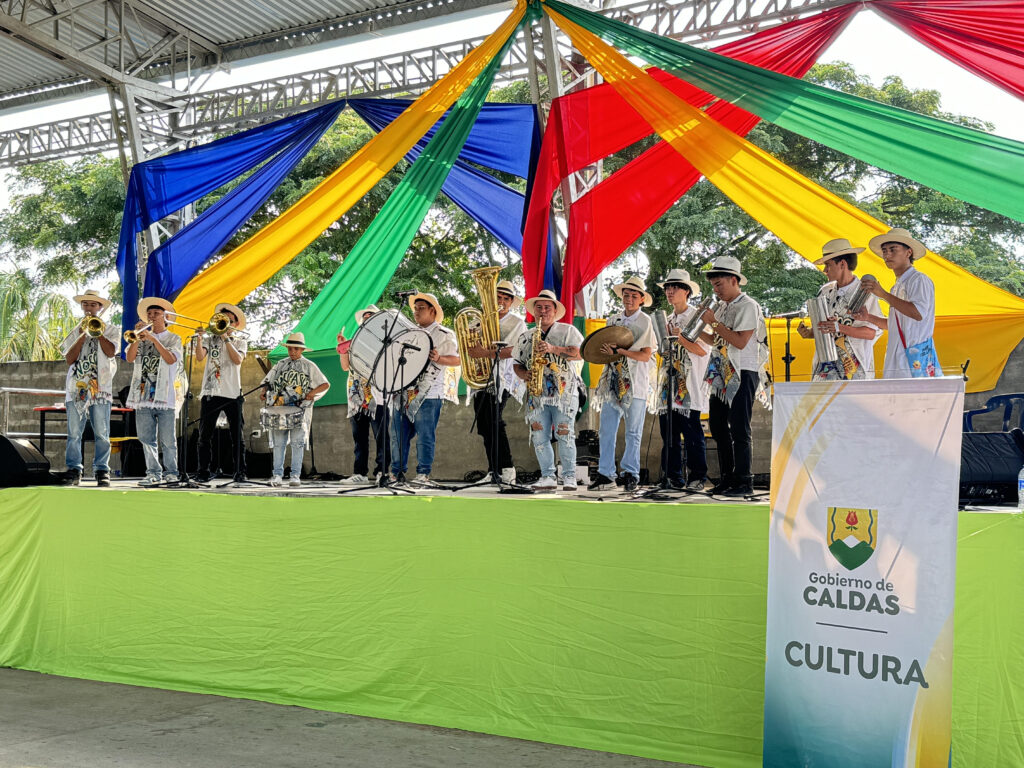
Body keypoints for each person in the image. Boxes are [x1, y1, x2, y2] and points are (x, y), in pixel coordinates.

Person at [699, 257, 769, 498]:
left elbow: (739, 340)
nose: (716, 290)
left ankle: (744, 479)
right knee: (718, 426)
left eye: (720, 285)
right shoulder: (722, 307)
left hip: (744, 371)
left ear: (734, 280)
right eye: (714, 286)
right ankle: (727, 477)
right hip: (722, 372)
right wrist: (699, 327)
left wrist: (713, 323)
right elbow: (715, 340)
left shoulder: (748, 305)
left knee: (739, 427)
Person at [588, 276, 656, 493]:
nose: (629, 298)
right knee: (606, 429)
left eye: (634, 295)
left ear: (642, 299)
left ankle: (630, 473)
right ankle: (606, 472)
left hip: (635, 383)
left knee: (633, 431)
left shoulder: (645, 321)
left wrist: (620, 352)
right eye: (626, 294)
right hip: (613, 382)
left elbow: (645, 355)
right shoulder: (613, 321)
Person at [512, 289, 584, 492]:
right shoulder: (526, 335)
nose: (543, 311)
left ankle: (569, 476)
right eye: (539, 308)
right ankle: (547, 475)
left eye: (547, 308)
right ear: (534, 311)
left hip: (564, 393)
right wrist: (523, 374)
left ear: (555, 311)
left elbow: (579, 353)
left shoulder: (568, 330)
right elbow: (517, 363)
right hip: (536, 393)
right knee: (539, 435)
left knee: (565, 433)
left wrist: (553, 349)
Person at [390, 292, 460, 487]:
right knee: (398, 434)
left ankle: (423, 474)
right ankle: (396, 473)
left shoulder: (444, 334)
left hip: (429, 392)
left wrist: (439, 358)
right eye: (415, 308)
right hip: (403, 391)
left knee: (425, 435)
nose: (416, 312)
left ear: (432, 311)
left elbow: (457, 360)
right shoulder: (407, 333)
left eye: (421, 308)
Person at [854, 228, 940, 379]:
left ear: (909, 252)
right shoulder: (897, 286)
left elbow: (918, 313)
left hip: (913, 358)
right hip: (899, 358)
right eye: (885, 251)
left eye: (893, 249)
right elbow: (894, 324)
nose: (887, 254)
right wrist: (868, 318)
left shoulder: (919, 280)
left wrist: (883, 294)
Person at [465, 279, 527, 484]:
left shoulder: (517, 322)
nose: (501, 301)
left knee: (494, 421)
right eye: (497, 297)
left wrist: (485, 352)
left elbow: (516, 350)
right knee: (484, 426)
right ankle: (494, 470)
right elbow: (469, 348)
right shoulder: (478, 321)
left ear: (510, 303)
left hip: (503, 378)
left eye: (505, 299)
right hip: (481, 378)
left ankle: (508, 467)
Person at [654, 270, 710, 491]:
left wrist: (680, 338)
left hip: (690, 384)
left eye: (675, 287)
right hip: (669, 384)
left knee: (692, 433)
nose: (670, 292)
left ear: (686, 291)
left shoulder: (697, 316)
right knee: (668, 434)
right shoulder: (667, 319)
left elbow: (703, 350)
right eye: (668, 288)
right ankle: (673, 477)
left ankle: (698, 477)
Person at [59, 289, 121, 487]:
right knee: (74, 432)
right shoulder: (75, 330)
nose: (89, 308)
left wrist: (98, 333)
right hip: (77, 387)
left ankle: (102, 470)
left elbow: (111, 352)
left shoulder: (111, 329)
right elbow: (69, 359)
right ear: (81, 307)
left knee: (102, 432)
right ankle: (74, 469)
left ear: (100, 308)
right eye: (85, 304)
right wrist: (81, 336)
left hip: (100, 387)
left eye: (93, 305)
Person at [797, 238, 882, 380]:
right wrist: (809, 333)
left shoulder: (865, 291)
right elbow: (825, 328)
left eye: (828, 265)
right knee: (822, 401)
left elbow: (871, 333)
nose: (824, 270)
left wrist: (839, 327)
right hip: (825, 366)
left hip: (855, 368)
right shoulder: (825, 291)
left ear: (842, 264)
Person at [126, 297, 183, 486]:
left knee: (168, 439)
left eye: (156, 314)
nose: (151, 317)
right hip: (143, 396)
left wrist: (153, 339)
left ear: (165, 317)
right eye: (149, 314)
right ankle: (153, 473)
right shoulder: (141, 338)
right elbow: (129, 357)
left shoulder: (174, 338)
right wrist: (136, 337)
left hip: (165, 396)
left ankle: (172, 472)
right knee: (146, 438)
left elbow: (170, 359)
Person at [260, 332, 330, 487]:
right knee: (279, 442)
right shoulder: (280, 364)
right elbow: (267, 381)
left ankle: (295, 476)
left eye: (296, 349)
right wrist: (264, 391)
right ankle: (277, 475)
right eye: (290, 349)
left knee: (297, 443)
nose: (292, 352)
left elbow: (325, 384)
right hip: (280, 409)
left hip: (300, 410)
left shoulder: (309, 366)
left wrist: (312, 393)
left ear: (302, 350)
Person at [194, 302, 248, 482]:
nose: (225, 323)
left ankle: (240, 471)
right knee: (204, 435)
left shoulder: (241, 341)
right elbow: (200, 357)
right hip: (211, 391)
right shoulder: (211, 340)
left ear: (235, 324)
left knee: (237, 436)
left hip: (232, 393)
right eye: (223, 320)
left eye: (229, 321)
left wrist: (226, 338)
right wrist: (200, 338)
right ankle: (203, 471)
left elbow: (237, 360)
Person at [338, 305, 390, 485]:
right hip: (356, 398)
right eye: (365, 317)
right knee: (359, 439)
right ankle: (359, 472)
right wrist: (342, 347)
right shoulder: (353, 342)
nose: (367, 318)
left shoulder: (385, 341)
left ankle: (382, 471)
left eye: (371, 316)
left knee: (381, 436)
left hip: (377, 396)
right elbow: (345, 367)